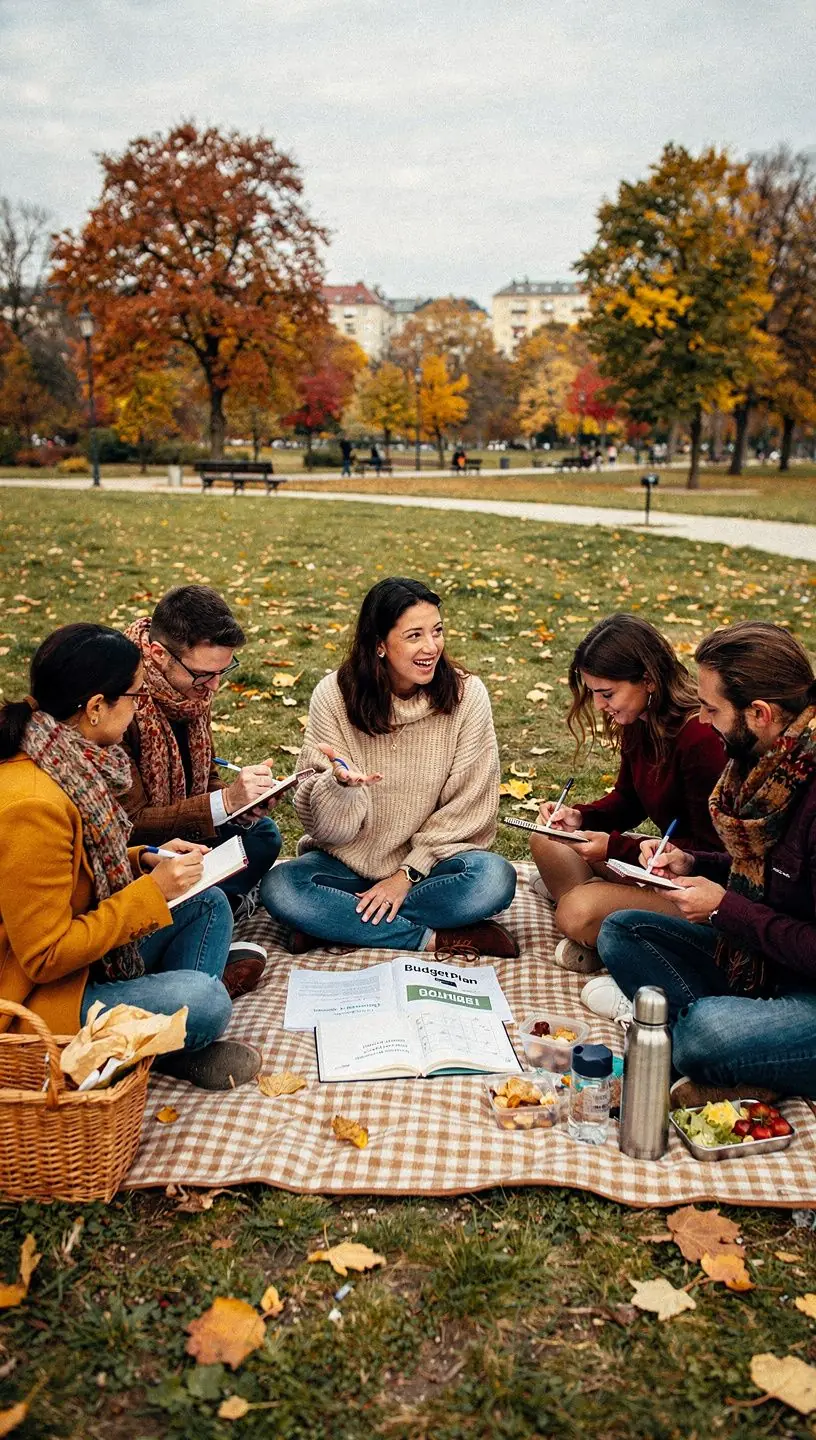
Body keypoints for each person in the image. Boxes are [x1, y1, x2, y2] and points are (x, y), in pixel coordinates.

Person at [0, 624, 260, 1089]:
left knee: (207, 903)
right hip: (38, 995)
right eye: (136, 696)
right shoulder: (33, 806)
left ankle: (154, 1035)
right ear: (96, 707)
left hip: (87, 963)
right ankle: (160, 1045)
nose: (141, 708)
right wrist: (150, 893)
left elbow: (80, 866)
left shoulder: (68, 761)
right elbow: (46, 957)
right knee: (206, 1000)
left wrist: (141, 860)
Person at [593, 621, 816, 1101]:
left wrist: (724, 909)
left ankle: (728, 1052)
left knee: (706, 1032)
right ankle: (745, 1060)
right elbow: (761, 870)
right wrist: (692, 861)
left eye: (712, 709)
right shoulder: (768, 763)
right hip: (764, 963)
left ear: (759, 713)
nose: (702, 718)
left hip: (806, 984)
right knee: (622, 930)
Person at [262, 577, 518, 956]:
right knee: (282, 887)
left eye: (437, 631)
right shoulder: (333, 695)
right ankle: (432, 938)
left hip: (429, 870)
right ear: (379, 644)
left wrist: (406, 874)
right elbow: (326, 830)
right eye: (414, 635)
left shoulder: (468, 696)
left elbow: (468, 808)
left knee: (494, 879)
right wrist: (340, 788)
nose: (431, 647)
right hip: (346, 864)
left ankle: (335, 923)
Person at [529, 613, 725, 975]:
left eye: (607, 694)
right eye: (593, 693)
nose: (599, 706)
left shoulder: (700, 738)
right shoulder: (641, 719)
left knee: (576, 909)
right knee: (547, 838)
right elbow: (628, 799)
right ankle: (603, 924)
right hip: (658, 863)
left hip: (697, 884)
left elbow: (713, 852)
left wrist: (615, 849)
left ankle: (598, 919)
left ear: (648, 680)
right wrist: (579, 817)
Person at [121, 586, 282, 994]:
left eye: (223, 672)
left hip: (184, 839)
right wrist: (223, 802)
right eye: (204, 675)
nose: (214, 686)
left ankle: (208, 920)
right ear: (158, 654)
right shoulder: (119, 705)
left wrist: (240, 806)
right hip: (140, 855)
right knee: (213, 896)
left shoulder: (188, 694)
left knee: (262, 834)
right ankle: (195, 935)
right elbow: (130, 825)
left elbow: (203, 772)